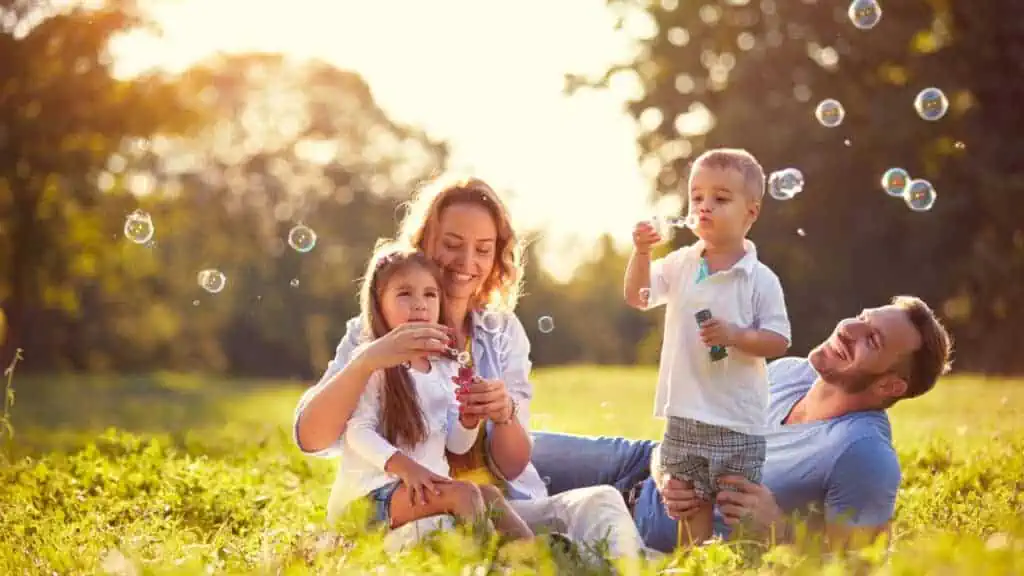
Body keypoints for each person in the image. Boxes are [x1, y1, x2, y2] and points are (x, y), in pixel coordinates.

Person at [293, 176, 645, 560]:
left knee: (601, 502)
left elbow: (509, 464)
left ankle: (626, 568)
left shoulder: (501, 332)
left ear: (497, 256)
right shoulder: (375, 333)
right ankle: (529, 563)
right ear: (424, 243)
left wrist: (497, 413)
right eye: (452, 245)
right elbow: (312, 438)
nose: (466, 263)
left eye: (483, 249)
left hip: (498, 507)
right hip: (412, 511)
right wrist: (367, 360)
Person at [530, 295, 954, 553]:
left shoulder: (863, 453)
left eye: (872, 339)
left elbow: (859, 569)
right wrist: (665, 467)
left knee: (504, 516)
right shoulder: (790, 372)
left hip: (655, 531)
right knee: (501, 446)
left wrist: (780, 532)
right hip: (639, 463)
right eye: (862, 317)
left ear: (891, 385)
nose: (848, 328)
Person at [623, 148, 791, 546]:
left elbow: (779, 340)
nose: (704, 206)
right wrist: (642, 253)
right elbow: (639, 295)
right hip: (684, 413)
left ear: (751, 213)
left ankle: (749, 564)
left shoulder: (759, 280)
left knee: (739, 508)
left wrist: (736, 336)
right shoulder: (682, 263)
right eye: (697, 197)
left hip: (736, 417)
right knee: (689, 505)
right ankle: (695, 562)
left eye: (720, 198)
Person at [334, 242, 532, 540]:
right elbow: (357, 431)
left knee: (489, 495)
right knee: (465, 495)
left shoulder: (444, 367)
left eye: (430, 294)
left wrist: (468, 419)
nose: (419, 304)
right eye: (404, 294)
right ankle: (486, 563)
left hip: (421, 490)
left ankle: (535, 556)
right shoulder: (373, 361)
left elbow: (456, 446)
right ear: (379, 303)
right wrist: (407, 469)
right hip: (369, 499)